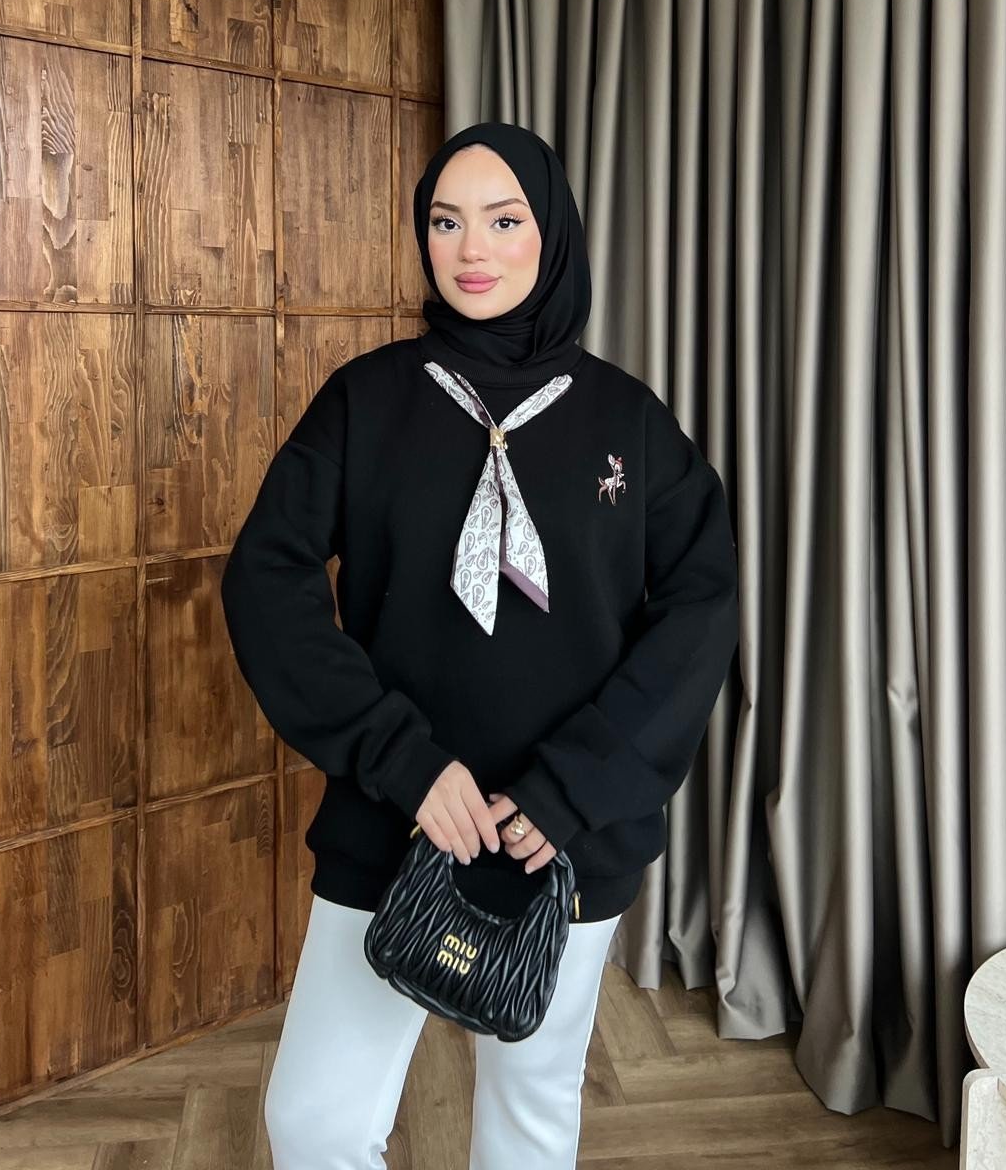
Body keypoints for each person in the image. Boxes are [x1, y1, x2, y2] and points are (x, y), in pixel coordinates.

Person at [220, 121, 740, 1169]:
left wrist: (573, 787)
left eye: (504, 222)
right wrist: (402, 762)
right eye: (445, 221)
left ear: (552, 233)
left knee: (529, 1117)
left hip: (564, 842)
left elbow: (701, 611)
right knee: (315, 1121)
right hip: (394, 819)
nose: (471, 250)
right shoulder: (366, 400)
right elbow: (265, 578)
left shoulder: (631, 423)